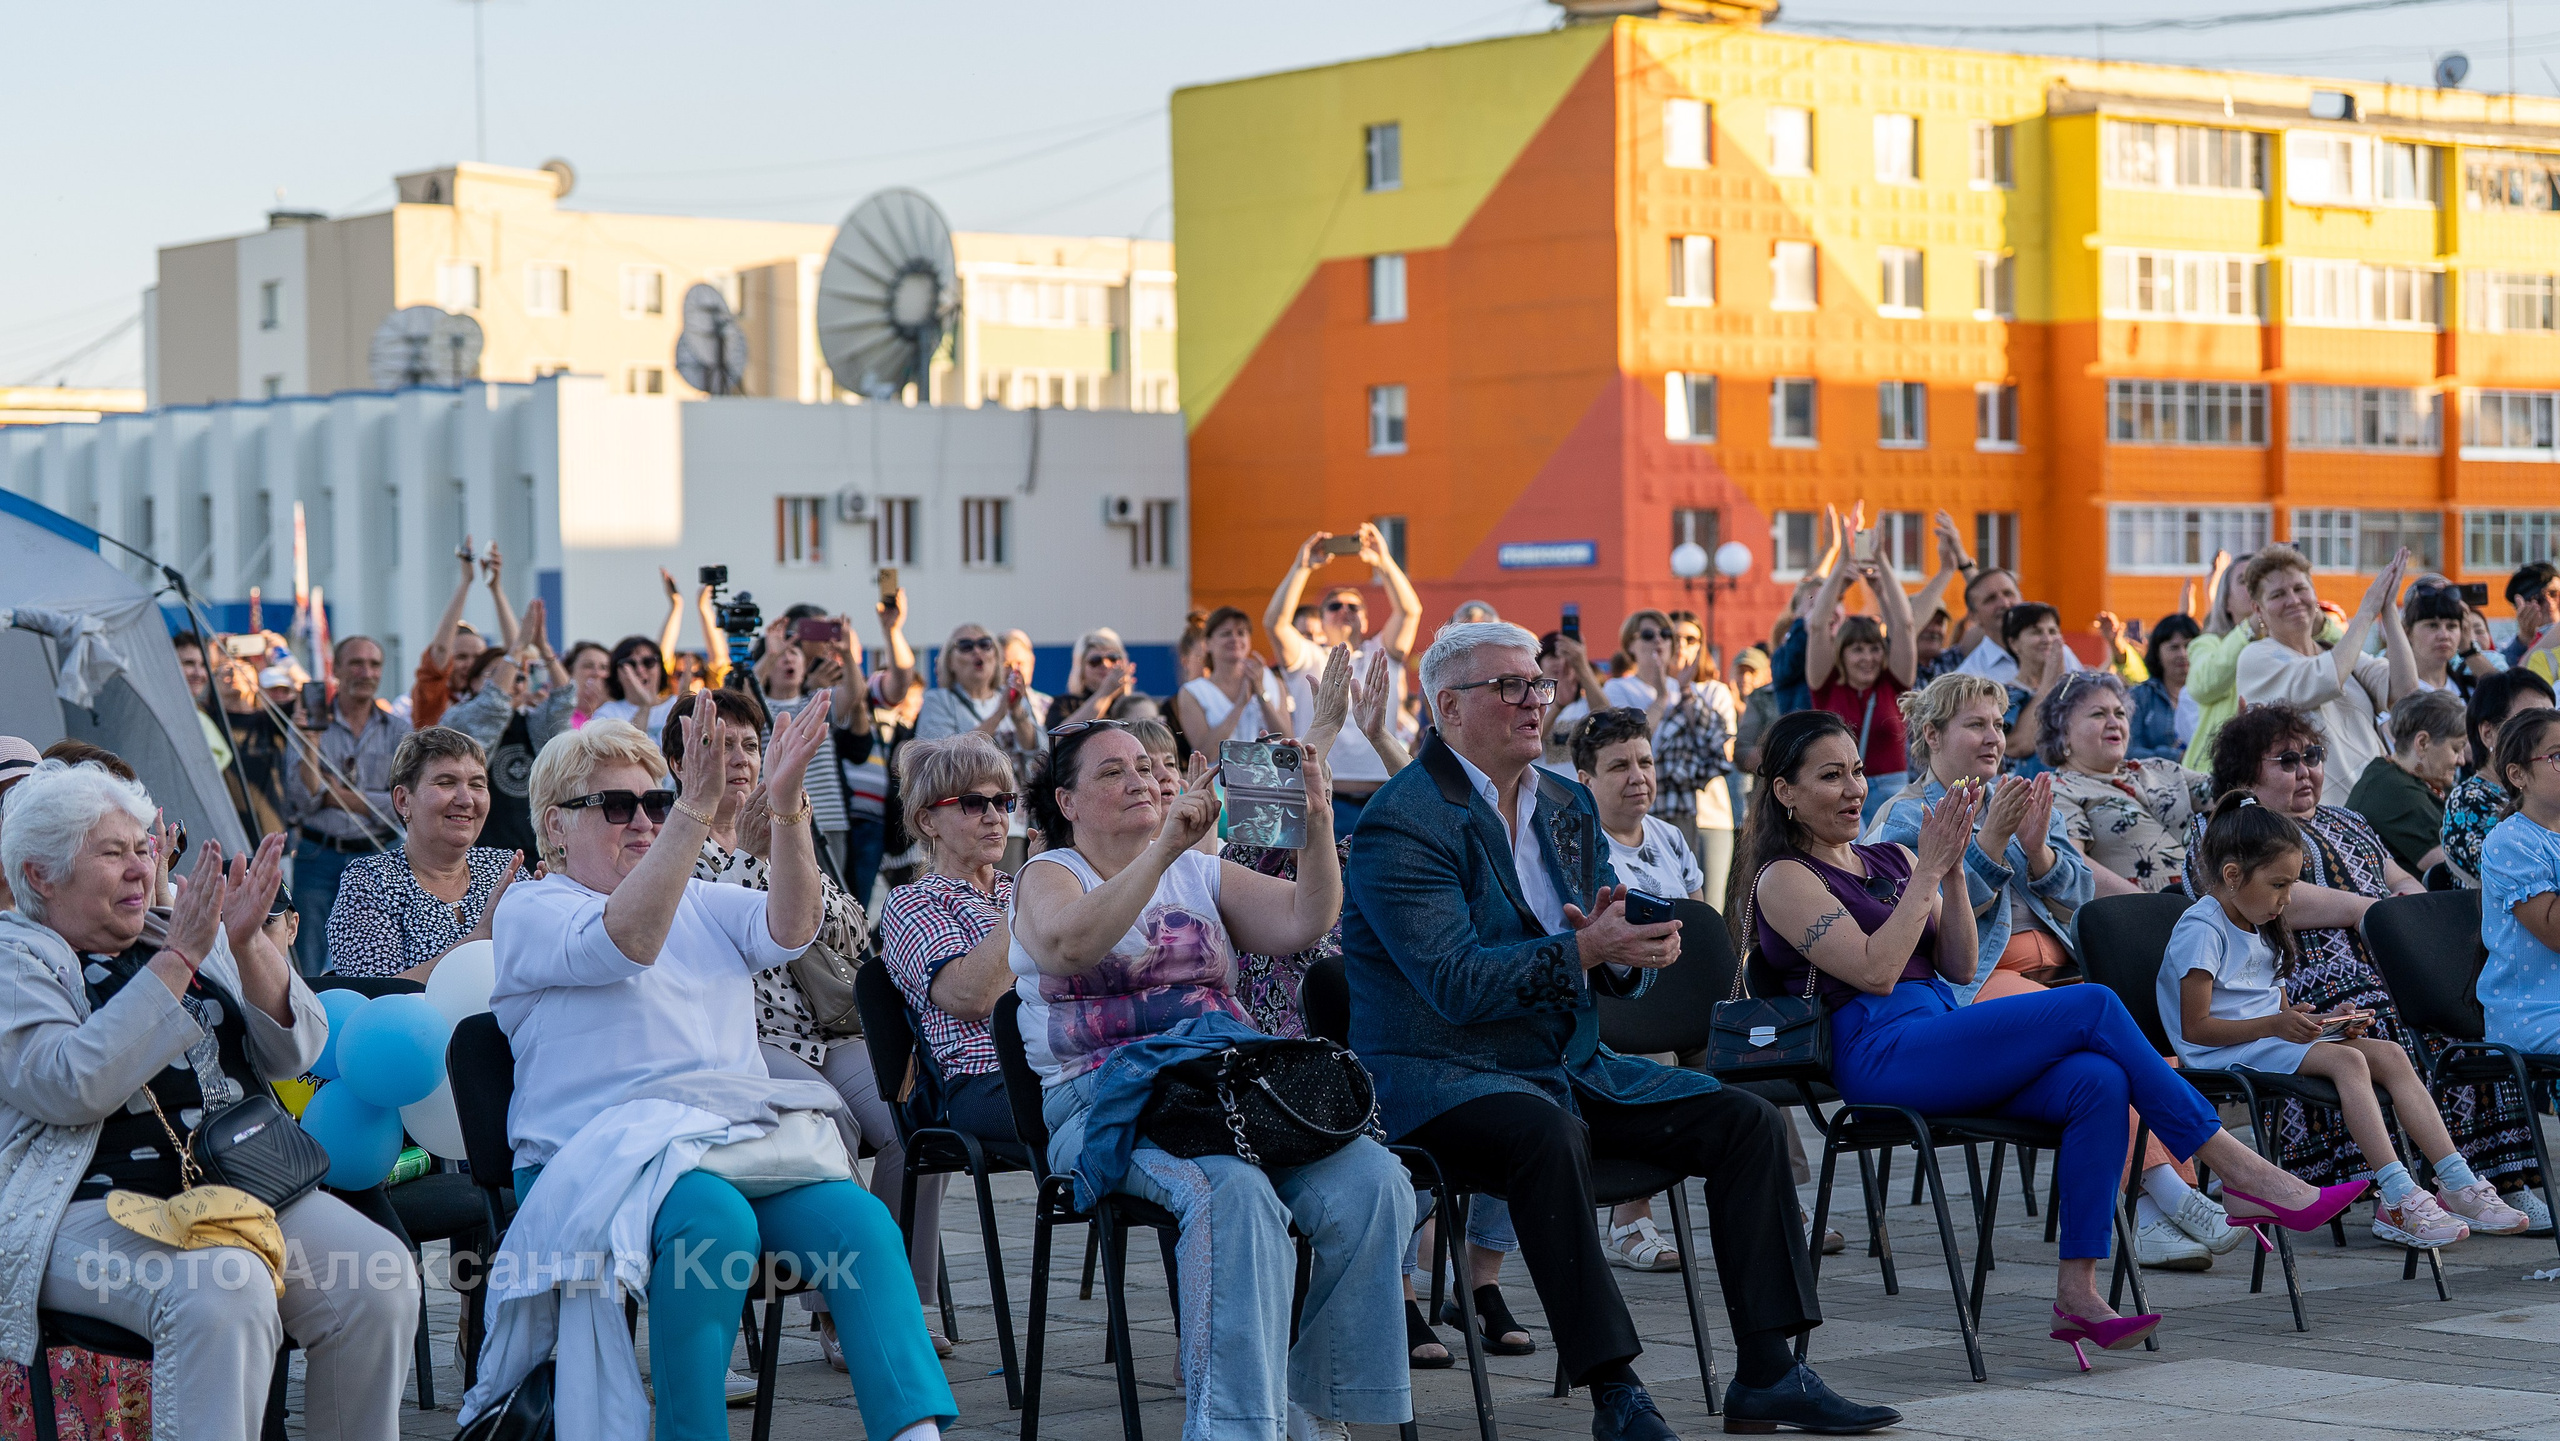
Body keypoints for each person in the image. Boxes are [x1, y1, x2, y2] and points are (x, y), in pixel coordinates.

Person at [1343, 621, 1897, 1438]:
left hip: (1567, 1066)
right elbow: (1455, 985)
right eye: (1510, 687)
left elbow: (1605, 940)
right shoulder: (1406, 819)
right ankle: (1616, 1392)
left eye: (1539, 682)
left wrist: (1636, 948)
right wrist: (1585, 948)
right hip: (1441, 1076)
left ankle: (1771, 1370)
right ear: (1448, 707)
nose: (1535, 700)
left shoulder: (1563, 803)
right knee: (1545, 1133)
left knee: (1744, 1121)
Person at [1745, 711, 2366, 1368]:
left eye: (1858, 771)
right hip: (1878, 1052)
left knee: (2097, 1082)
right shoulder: (1784, 878)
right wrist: (1927, 873)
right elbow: (1874, 969)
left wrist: (1952, 871)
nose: (1853, 789)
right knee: (2093, 1004)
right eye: (1830, 776)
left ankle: (2078, 1292)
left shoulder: (1891, 857)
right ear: (1784, 790)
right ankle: (2239, 1170)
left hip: (1939, 1027)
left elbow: (1957, 965)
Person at [480, 710, 954, 1441]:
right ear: (555, 825)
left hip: (731, 1147)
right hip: (597, 1160)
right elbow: (631, 940)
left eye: (656, 802)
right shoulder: (533, 908)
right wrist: (695, 811)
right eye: (616, 804)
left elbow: (792, 926)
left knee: (861, 1224)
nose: (643, 821)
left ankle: (913, 1432)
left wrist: (789, 806)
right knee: (715, 1219)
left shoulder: (698, 899)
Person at [1013, 720, 1411, 1441]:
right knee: (1235, 1194)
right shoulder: (1051, 873)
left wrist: (1316, 820)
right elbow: (1070, 944)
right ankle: (1234, 1428)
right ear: (1066, 800)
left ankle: (1315, 1404)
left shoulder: (1198, 871)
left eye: (1144, 765)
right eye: (1112, 772)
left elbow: (1304, 919)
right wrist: (1166, 841)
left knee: (1377, 1182)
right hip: (1108, 1101)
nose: (1138, 779)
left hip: (1226, 1091)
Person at [0, 763, 420, 1440]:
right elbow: (67, 1083)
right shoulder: (17, 956)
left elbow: (298, 1050)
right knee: (226, 1286)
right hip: (87, 1208)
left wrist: (248, 943)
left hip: (239, 1187)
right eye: (112, 853)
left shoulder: (179, 927)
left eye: (144, 848)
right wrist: (178, 958)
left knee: (378, 1278)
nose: (140, 868)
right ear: (41, 874)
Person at [2195, 703, 2538, 1230]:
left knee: (2468, 1022)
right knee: (2384, 1017)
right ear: (2245, 773)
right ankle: (2395, 1191)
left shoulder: (2348, 819)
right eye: (2286, 761)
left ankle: (2488, 1179)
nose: (2306, 769)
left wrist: (2405, 917)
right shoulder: (2227, 832)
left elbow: (2400, 879)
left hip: (2386, 963)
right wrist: (2374, 913)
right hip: (2307, 973)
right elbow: (2289, 905)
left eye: (2313, 756)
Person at [1867, 672, 2091, 993]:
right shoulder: (1905, 818)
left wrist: (2038, 851)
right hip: (1981, 977)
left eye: (1999, 725)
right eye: (1976, 725)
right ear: (1932, 735)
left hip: (2069, 963)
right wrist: (1992, 840)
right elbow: (1922, 925)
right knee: (2091, 1008)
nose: (1994, 738)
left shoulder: (2017, 795)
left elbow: (2082, 900)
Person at [877, 733, 1021, 1149]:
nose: (994, 817)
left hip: (1059, 1061)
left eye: (1003, 801)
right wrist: (1033, 898)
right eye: (973, 803)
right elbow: (969, 996)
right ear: (927, 821)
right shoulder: (912, 902)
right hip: (981, 1080)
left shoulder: (1016, 888)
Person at [326, 727, 526, 980]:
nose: (466, 799)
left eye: (477, 784)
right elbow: (373, 997)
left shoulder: (504, 868)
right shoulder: (372, 881)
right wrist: (479, 939)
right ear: (402, 801)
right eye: (446, 783)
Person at [1264, 525, 1424, 833]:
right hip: (1326, 797)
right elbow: (1275, 623)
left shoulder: (1383, 652)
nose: (1344, 611)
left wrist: (1384, 561)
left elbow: (1409, 610)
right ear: (1321, 621)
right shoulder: (1307, 656)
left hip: (1382, 796)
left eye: (1354, 606)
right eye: (1334, 606)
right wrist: (1302, 568)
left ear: (1365, 618)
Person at [2235, 544, 2418, 805]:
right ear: (2257, 609)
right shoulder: (2255, 657)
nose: (2293, 600)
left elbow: (2406, 689)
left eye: (2300, 589)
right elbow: (2326, 679)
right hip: (2318, 817)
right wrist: (2366, 610)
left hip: (2378, 809)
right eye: (2278, 595)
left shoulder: (2336, 652)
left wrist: (2387, 608)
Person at [284, 635, 410, 977]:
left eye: (374, 664)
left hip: (378, 855)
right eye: (356, 663)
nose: (366, 672)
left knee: (380, 957)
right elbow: (303, 797)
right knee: (307, 959)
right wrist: (310, 743)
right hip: (318, 857)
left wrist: (338, 793)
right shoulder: (310, 723)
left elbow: (405, 803)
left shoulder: (398, 730)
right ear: (336, 668)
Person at [2043, 671, 2212, 896]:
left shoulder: (2162, 768)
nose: (2114, 723)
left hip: (2208, 914)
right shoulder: (2058, 789)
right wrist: (2150, 908)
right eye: (2098, 714)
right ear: (2063, 733)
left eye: (2120, 713)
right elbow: (2075, 864)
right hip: (2142, 920)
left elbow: (2227, 792)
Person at [1804, 538, 1918, 822]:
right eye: (1857, 649)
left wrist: (1882, 565)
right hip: (1836, 789)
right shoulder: (1826, 685)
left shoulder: (1893, 684)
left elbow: (1905, 626)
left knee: (1891, 864)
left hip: (1890, 790)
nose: (1867, 657)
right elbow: (1818, 625)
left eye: (1874, 648)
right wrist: (1841, 564)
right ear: (1841, 654)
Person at [915, 622, 1045, 869]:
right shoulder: (939, 700)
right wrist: (1000, 713)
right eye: (966, 646)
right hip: (963, 823)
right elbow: (944, 757)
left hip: (1012, 821)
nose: (978, 652)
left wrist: (1017, 713)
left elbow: (1037, 754)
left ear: (996, 656)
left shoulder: (1013, 698)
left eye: (985, 645)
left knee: (1010, 900)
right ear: (949, 662)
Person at [2479, 707, 2560, 1062]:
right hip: (2533, 1013)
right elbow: (2555, 933)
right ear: (2518, 774)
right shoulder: (2510, 841)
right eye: (2558, 756)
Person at [2445, 669, 2560, 885]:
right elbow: (2518, 880)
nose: (2547, 731)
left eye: (2550, 716)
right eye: (2529, 720)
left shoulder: (2550, 796)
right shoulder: (2469, 801)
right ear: (2488, 733)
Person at [2346, 689, 2467, 879]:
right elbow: (2453, 864)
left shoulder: (2420, 779)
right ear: (2423, 742)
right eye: (2456, 749)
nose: (2461, 761)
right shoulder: (2389, 788)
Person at [407, 540, 518, 729]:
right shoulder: (432, 698)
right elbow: (440, 651)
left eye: (478, 657)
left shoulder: (495, 697)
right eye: (461, 657)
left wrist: (496, 588)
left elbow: (517, 652)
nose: (471, 664)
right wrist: (466, 582)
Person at [2182, 549, 2255, 773]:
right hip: (2209, 776)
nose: (2254, 588)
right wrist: (2250, 627)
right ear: (2226, 602)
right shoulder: (2207, 644)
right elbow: (2203, 685)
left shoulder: (2286, 647)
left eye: (2260, 580)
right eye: (2244, 581)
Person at [1997, 603, 2074, 774]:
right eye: (2036, 632)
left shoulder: (2072, 692)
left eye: (2053, 631)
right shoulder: (2003, 696)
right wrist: (2048, 685)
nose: (2047, 639)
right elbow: (2018, 747)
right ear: (2014, 643)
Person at [1045, 626, 1157, 731]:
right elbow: (1060, 736)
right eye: (1095, 661)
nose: (1105, 665)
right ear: (1081, 668)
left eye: (1113, 658)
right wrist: (1106, 691)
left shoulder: (1133, 704)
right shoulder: (1064, 704)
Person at [2404, 583, 2500, 703]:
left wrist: (2468, 649)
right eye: (2432, 625)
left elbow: (2505, 694)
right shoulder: (2391, 690)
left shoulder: (2470, 690)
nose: (2444, 635)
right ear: (2408, 632)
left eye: (2452, 626)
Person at [2129, 613, 2200, 762]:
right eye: (2174, 647)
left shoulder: (2212, 694)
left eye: (2188, 646)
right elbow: (2128, 751)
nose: (2183, 654)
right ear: (2157, 653)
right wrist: (2175, 757)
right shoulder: (2139, 696)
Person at [593, 632, 682, 743]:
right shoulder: (606, 714)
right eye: (630, 664)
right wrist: (644, 707)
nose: (640, 670)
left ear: (660, 668)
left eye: (648, 662)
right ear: (616, 675)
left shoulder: (677, 706)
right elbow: (624, 755)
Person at [2502, 561, 2560, 670]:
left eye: (2554, 594)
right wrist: (2525, 639)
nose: (2549, 603)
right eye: (2538, 599)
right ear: (2520, 608)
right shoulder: (2507, 648)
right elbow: (2507, 678)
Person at [557, 640, 613, 731]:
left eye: (604, 667)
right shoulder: (559, 714)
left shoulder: (616, 711)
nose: (597, 673)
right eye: (588, 666)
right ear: (570, 672)